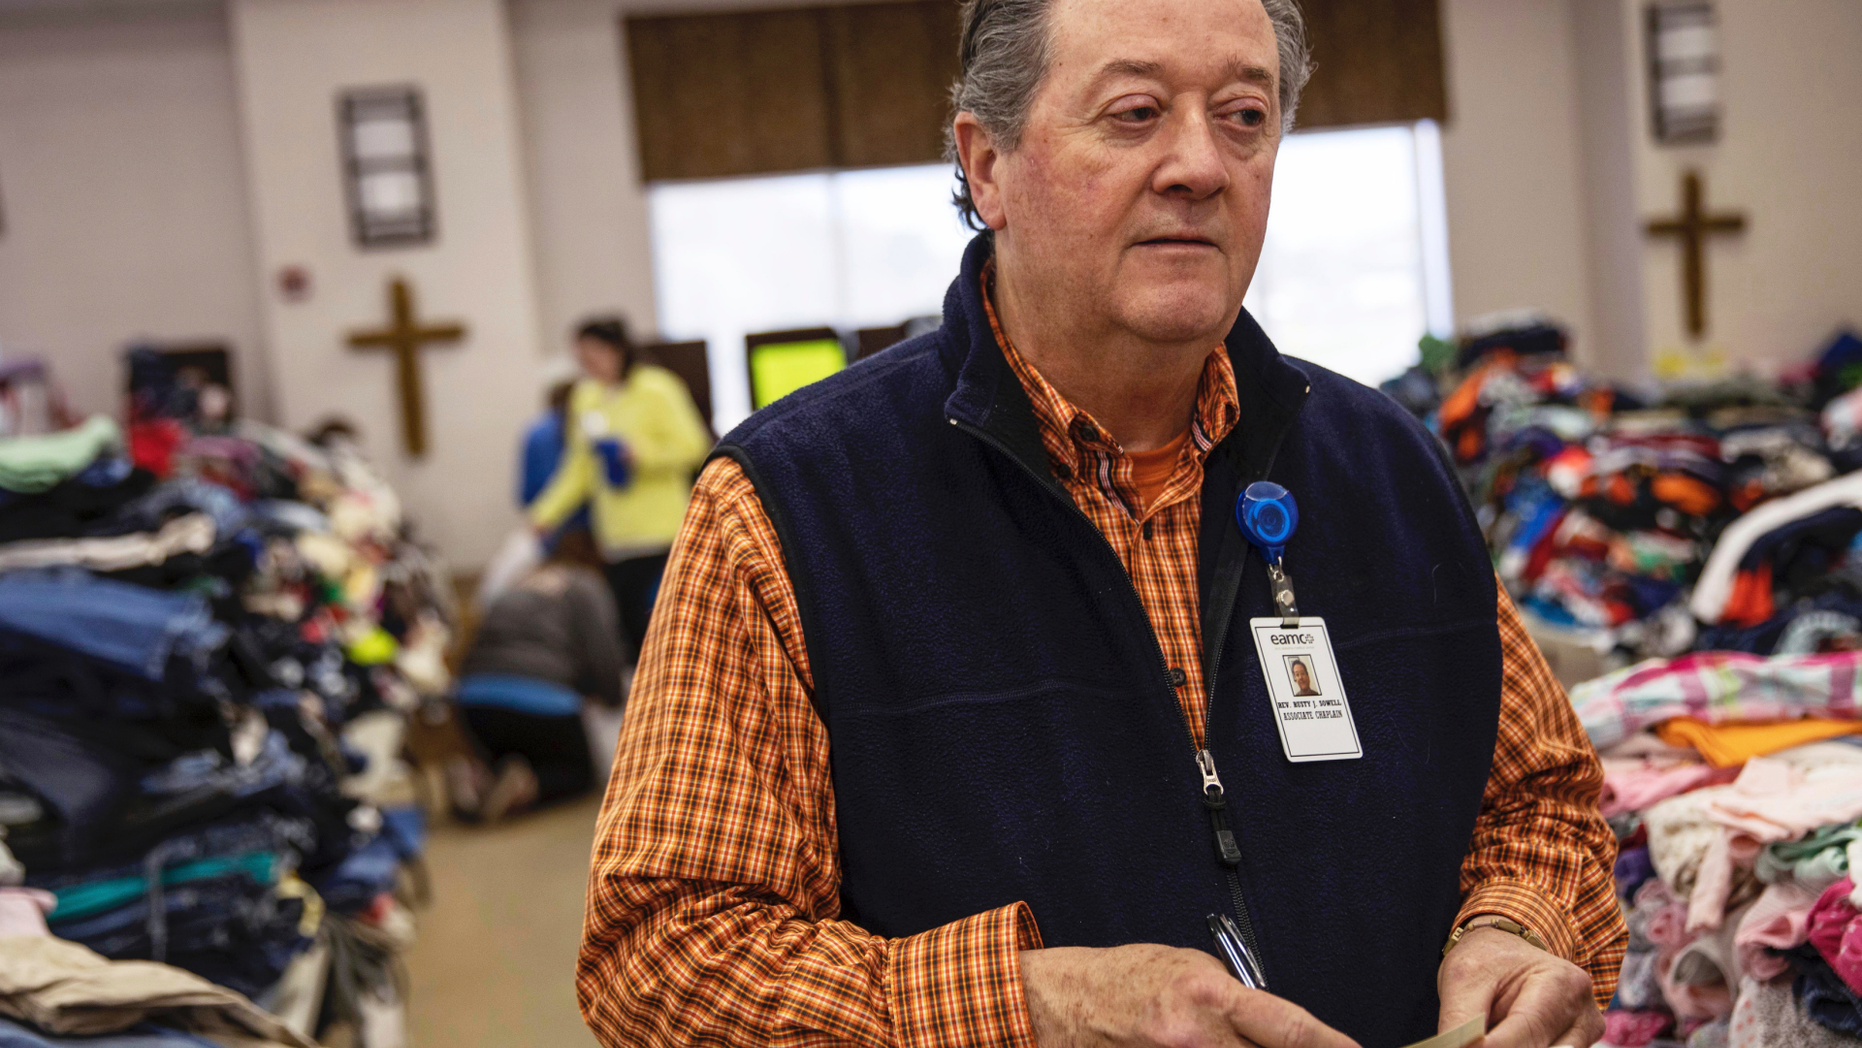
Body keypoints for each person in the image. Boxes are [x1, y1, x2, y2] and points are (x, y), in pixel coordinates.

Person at [578, 0, 1625, 1046]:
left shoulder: (1384, 467)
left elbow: (1543, 803)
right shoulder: (791, 509)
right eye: (1131, 113)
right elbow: (658, 956)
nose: (1198, 165)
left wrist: (1509, 930)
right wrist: (1033, 1005)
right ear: (985, 165)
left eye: (1243, 116)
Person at [527, 318, 712, 659]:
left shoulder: (656, 388)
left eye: (593, 353)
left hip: (662, 528)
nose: (587, 362)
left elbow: (694, 446)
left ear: (616, 350)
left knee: (670, 619)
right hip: (617, 532)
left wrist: (639, 454)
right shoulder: (586, 396)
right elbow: (579, 467)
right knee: (626, 621)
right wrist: (545, 513)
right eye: (581, 356)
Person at [452, 529, 624, 821]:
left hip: (472, 700)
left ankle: (481, 774)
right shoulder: (586, 584)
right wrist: (612, 698)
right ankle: (529, 786)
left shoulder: (518, 581)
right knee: (577, 773)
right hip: (541, 699)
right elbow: (604, 655)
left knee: (511, 752)